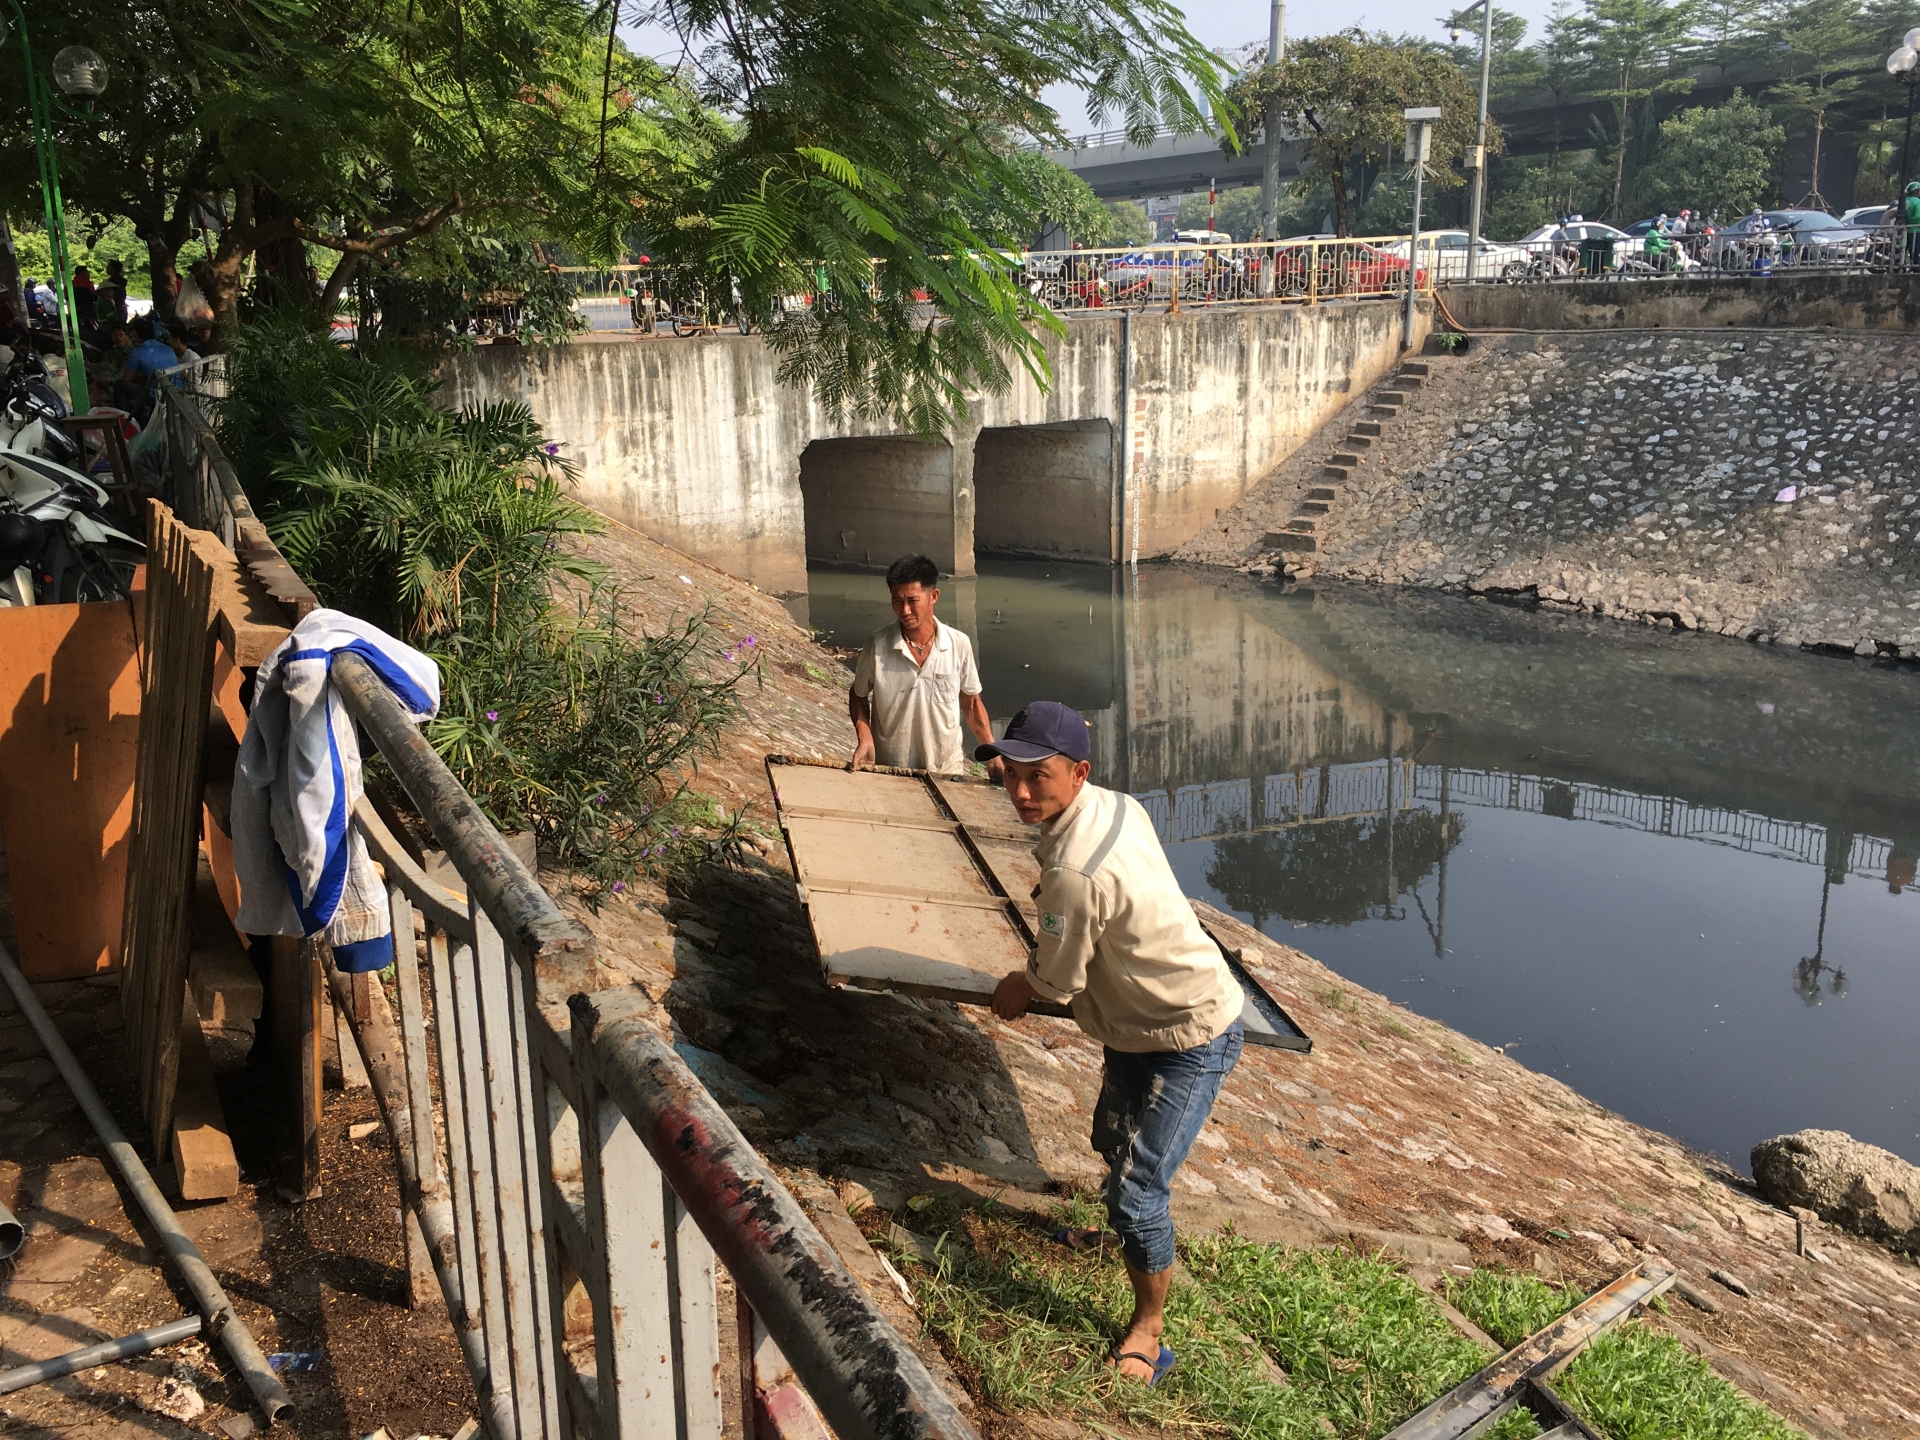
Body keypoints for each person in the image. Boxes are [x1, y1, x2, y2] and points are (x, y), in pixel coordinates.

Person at [982, 702, 1244, 1388]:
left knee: (1138, 1190)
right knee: (1112, 1140)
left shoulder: (1074, 868)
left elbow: (1058, 981)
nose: (1021, 793)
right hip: (1137, 1015)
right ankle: (1125, 1243)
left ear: (1079, 773)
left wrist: (1019, 982)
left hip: (1190, 1031)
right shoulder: (1118, 804)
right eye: (1011, 775)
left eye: (1038, 778)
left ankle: (1149, 1332)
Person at [849, 554, 996, 774]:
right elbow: (858, 694)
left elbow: (972, 705)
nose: (904, 611)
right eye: (897, 601)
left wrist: (992, 756)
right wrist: (865, 736)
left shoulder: (958, 644)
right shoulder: (877, 645)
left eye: (912, 601)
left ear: (933, 596)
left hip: (947, 768)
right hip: (892, 768)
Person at [1904, 181, 1920, 270]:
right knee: (1915, 251)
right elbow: (1918, 216)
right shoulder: (1917, 201)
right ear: (1916, 191)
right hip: (1917, 230)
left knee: (1908, 250)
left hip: (1906, 230)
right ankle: (1915, 268)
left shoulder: (1905, 200)